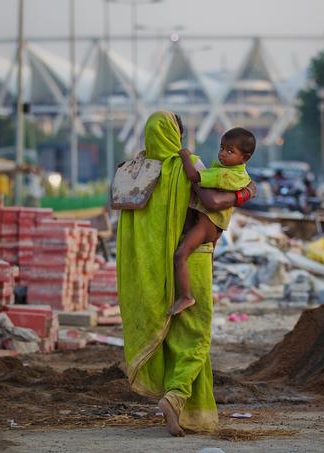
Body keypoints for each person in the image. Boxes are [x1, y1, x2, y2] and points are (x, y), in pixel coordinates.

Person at [116, 111, 256, 437]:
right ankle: (177, 397)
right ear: (175, 134)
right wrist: (246, 191)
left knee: (173, 338)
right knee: (196, 337)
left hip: (156, 270)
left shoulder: (135, 171)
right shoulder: (187, 164)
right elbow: (212, 200)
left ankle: (191, 412)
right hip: (194, 259)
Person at [170, 128, 254, 315]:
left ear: (245, 158)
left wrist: (185, 155)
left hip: (207, 223)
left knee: (180, 255)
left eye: (230, 151)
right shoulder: (237, 174)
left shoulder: (226, 175)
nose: (223, 153)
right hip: (213, 224)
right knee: (206, 263)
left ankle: (186, 296)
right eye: (222, 148)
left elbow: (193, 176)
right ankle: (204, 293)